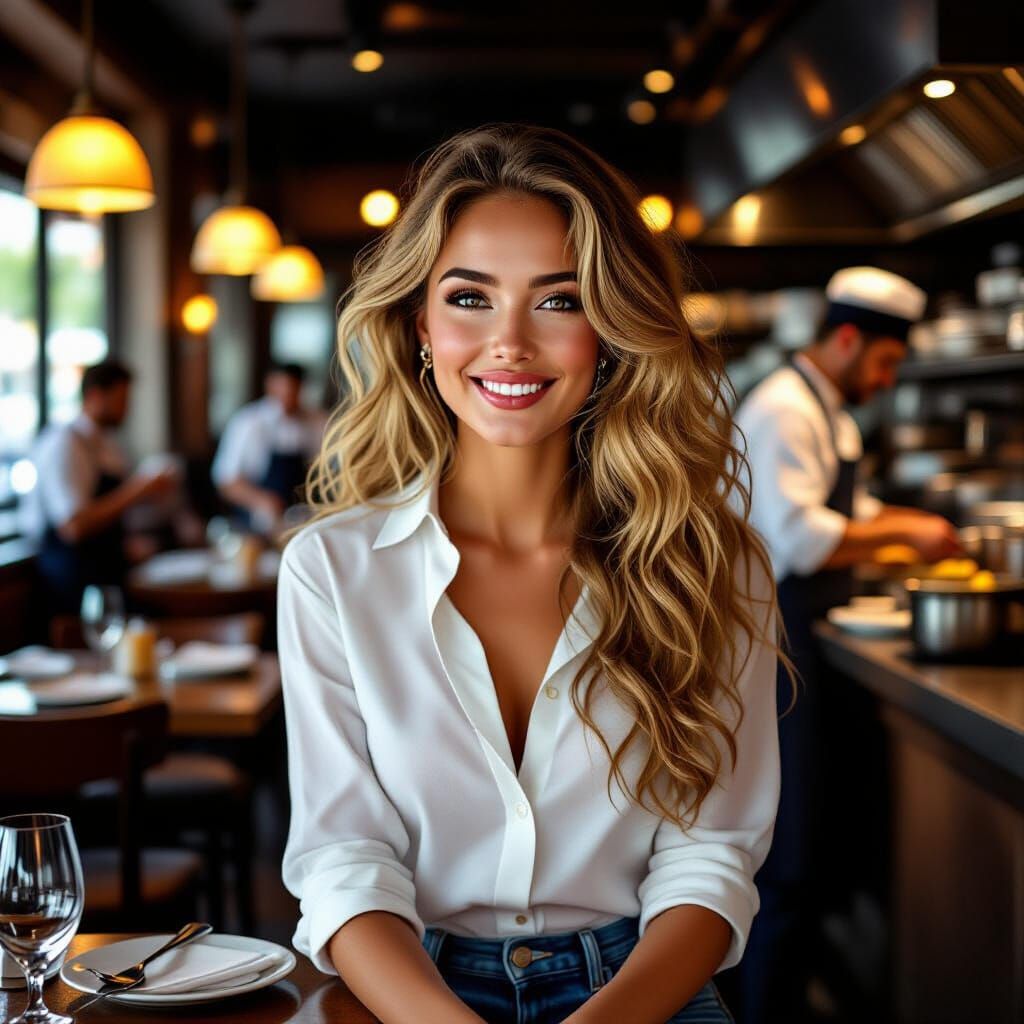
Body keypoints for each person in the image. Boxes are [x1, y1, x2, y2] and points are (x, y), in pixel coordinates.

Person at [278, 124, 784, 1024]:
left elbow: (712, 855)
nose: (509, 343)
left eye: (558, 302)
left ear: (612, 334)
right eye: (470, 297)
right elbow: (344, 858)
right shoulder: (332, 569)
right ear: (420, 324)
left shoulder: (713, 564)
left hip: (639, 988)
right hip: (408, 985)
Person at [731, 266, 962, 1023]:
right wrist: (906, 530)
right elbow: (795, 539)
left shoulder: (833, 413)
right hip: (773, 650)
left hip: (808, 644)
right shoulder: (784, 410)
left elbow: (849, 508)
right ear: (850, 339)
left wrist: (895, 537)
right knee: (787, 859)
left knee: (813, 849)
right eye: (887, 364)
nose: (887, 379)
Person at [19, 359, 179, 612]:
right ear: (95, 395)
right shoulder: (65, 444)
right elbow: (73, 526)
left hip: (106, 572)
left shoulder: (106, 445)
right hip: (72, 580)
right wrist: (139, 489)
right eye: (122, 399)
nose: (127, 408)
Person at [211, 362, 325, 533]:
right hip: (257, 522)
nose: (287, 394)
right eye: (282, 387)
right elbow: (226, 481)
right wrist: (261, 500)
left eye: (293, 388)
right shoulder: (248, 423)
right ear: (269, 386)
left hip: (303, 518)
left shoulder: (319, 422)